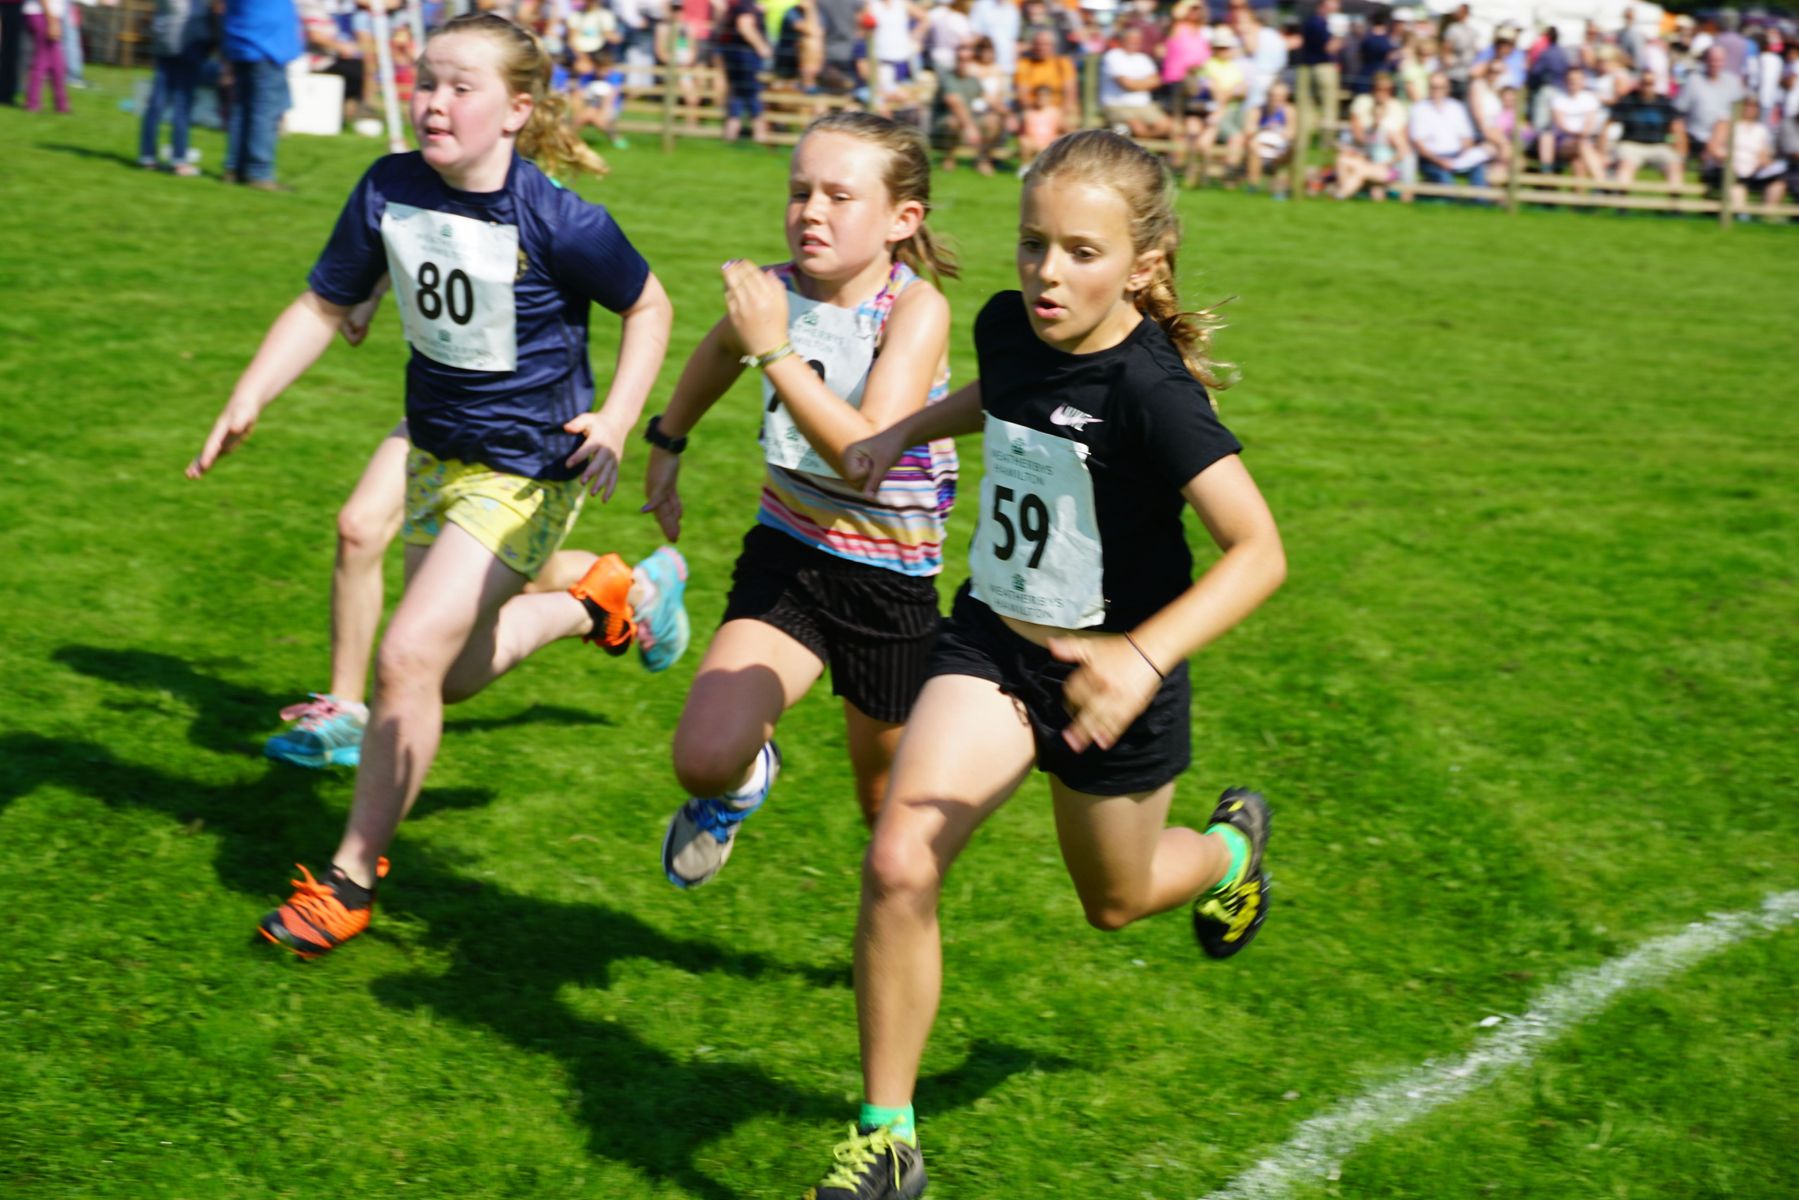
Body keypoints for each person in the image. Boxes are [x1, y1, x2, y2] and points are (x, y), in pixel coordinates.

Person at [797, 129, 1284, 1200]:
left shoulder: (1153, 397)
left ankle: (1226, 856)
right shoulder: (1009, 324)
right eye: (1031, 246)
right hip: (991, 641)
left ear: (1142, 264)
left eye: (1077, 253)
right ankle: (885, 1141)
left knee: (1113, 900)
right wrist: (904, 433)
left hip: (1115, 678)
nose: (1046, 274)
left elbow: (1259, 552)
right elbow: (1002, 390)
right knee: (897, 862)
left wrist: (1139, 656)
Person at [188, 12, 682, 958]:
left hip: (528, 468)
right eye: (427, 82)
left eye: (461, 87)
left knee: (407, 657)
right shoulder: (388, 187)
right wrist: (249, 393)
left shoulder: (554, 216)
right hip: (434, 457)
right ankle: (599, 596)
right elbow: (324, 302)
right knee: (442, 674)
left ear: (514, 110)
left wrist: (617, 418)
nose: (435, 102)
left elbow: (649, 304)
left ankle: (349, 878)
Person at [643, 111, 958, 891]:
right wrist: (668, 440)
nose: (810, 211)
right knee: (703, 759)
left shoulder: (915, 310)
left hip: (889, 585)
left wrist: (774, 349)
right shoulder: (776, 291)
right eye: (799, 191)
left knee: (884, 810)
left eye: (838, 197)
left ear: (900, 219)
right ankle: (743, 785)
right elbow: (720, 348)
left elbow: (865, 458)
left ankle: (888, 934)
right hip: (789, 554)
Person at [222, 0, 300, 188]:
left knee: (243, 108)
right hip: (267, 44)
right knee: (265, 111)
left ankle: (235, 168)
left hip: (242, 41)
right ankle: (259, 172)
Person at [139, 0, 216, 173]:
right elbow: (195, 15)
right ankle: (179, 160)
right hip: (185, 46)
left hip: (163, 43)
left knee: (156, 102)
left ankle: (147, 156)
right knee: (182, 104)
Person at [1331, 70, 1407, 199]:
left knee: (1361, 170)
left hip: (1387, 168)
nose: (1383, 92)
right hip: (1369, 161)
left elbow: (1403, 151)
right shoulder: (1371, 131)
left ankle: (1340, 195)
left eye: (1387, 89)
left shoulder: (1388, 131)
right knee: (1343, 160)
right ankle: (1344, 192)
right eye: (1379, 89)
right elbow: (1362, 139)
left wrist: (1385, 163)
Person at [1409, 69, 1487, 189]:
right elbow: (1419, 144)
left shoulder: (1456, 107)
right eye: (1433, 87)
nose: (1436, 91)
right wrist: (1440, 161)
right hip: (1432, 159)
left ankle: (1481, 201)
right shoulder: (1419, 109)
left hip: (1457, 156)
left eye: (1440, 87)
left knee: (1478, 166)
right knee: (1445, 181)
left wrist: (1463, 154)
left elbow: (1467, 137)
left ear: (1447, 88)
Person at [1099, 24, 1170, 139]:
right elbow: (1126, 84)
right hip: (1117, 105)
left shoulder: (1143, 58)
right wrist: (1144, 83)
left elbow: (1156, 81)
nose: (1134, 43)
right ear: (1123, 40)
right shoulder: (1113, 56)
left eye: (1137, 40)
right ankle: (1142, 149)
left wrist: (1134, 83)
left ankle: (1143, 148)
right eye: (1131, 40)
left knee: (1166, 125)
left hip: (1143, 106)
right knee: (1137, 128)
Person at [716, 0, 772, 144]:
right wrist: (762, 47)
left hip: (736, 55)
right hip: (745, 56)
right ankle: (760, 135)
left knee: (738, 94)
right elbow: (745, 26)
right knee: (752, 92)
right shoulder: (745, 5)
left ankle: (731, 134)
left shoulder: (740, 5)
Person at [1538, 65, 1605, 178]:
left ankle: (1586, 192)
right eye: (1571, 80)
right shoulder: (1558, 99)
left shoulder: (1589, 99)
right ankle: (1602, 184)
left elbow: (1590, 123)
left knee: (1578, 164)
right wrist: (1579, 134)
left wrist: (1582, 134)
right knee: (1583, 147)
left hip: (1583, 141)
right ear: (1565, 81)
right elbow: (1560, 124)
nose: (1573, 82)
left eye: (1577, 79)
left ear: (1583, 81)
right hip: (1564, 142)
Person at [20, 0, 68, 114]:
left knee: (56, 63)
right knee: (43, 60)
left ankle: (61, 105)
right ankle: (33, 103)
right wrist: (51, 21)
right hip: (43, 14)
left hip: (47, 14)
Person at [1016, 81, 1064, 165]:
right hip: (1033, 142)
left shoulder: (1056, 112)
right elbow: (1023, 131)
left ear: (1050, 97)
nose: (1042, 98)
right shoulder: (1029, 112)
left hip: (1051, 142)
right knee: (1024, 140)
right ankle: (1025, 166)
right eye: (1040, 96)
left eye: (1045, 96)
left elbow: (1062, 130)